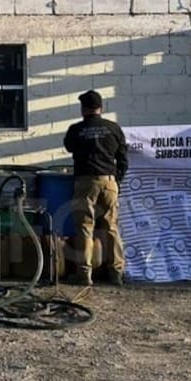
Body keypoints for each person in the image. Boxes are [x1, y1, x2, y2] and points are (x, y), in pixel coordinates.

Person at [63, 89, 128, 287]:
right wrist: (116, 181)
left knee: (84, 227)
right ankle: (116, 272)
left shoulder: (76, 129)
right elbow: (123, 159)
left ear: (83, 109)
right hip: (109, 181)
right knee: (111, 228)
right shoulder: (114, 128)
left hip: (85, 182)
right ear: (101, 107)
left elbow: (69, 147)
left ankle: (84, 274)